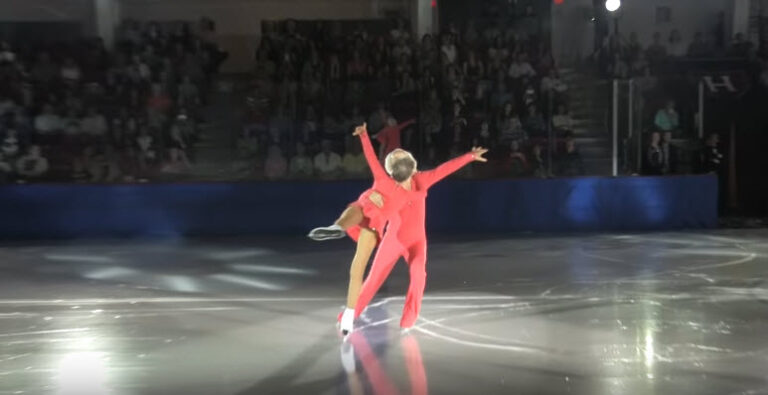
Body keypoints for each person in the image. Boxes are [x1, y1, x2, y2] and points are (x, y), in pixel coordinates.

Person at [350, 146, 488, 331]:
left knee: (418, 276)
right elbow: (372, 167)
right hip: (393, 240)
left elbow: (443, 170)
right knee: (374, 279)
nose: (403, 163)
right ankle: (350, 314)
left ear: (411, 165)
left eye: (404, 158)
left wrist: (469, 156)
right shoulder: (387, 187)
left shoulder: (421, 179)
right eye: (398, 161)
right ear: (393, 169)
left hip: (416, 241)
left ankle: (408, 319)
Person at [307, 123, 417, 335]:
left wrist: (364, 135)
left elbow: (371, 157)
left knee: (356, 211)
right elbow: (437, 174)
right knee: (357, 268)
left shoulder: (383, 179)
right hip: (374, 224)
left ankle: (336, 226)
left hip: (367, 213)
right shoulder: (407, 194)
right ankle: (349, 315)